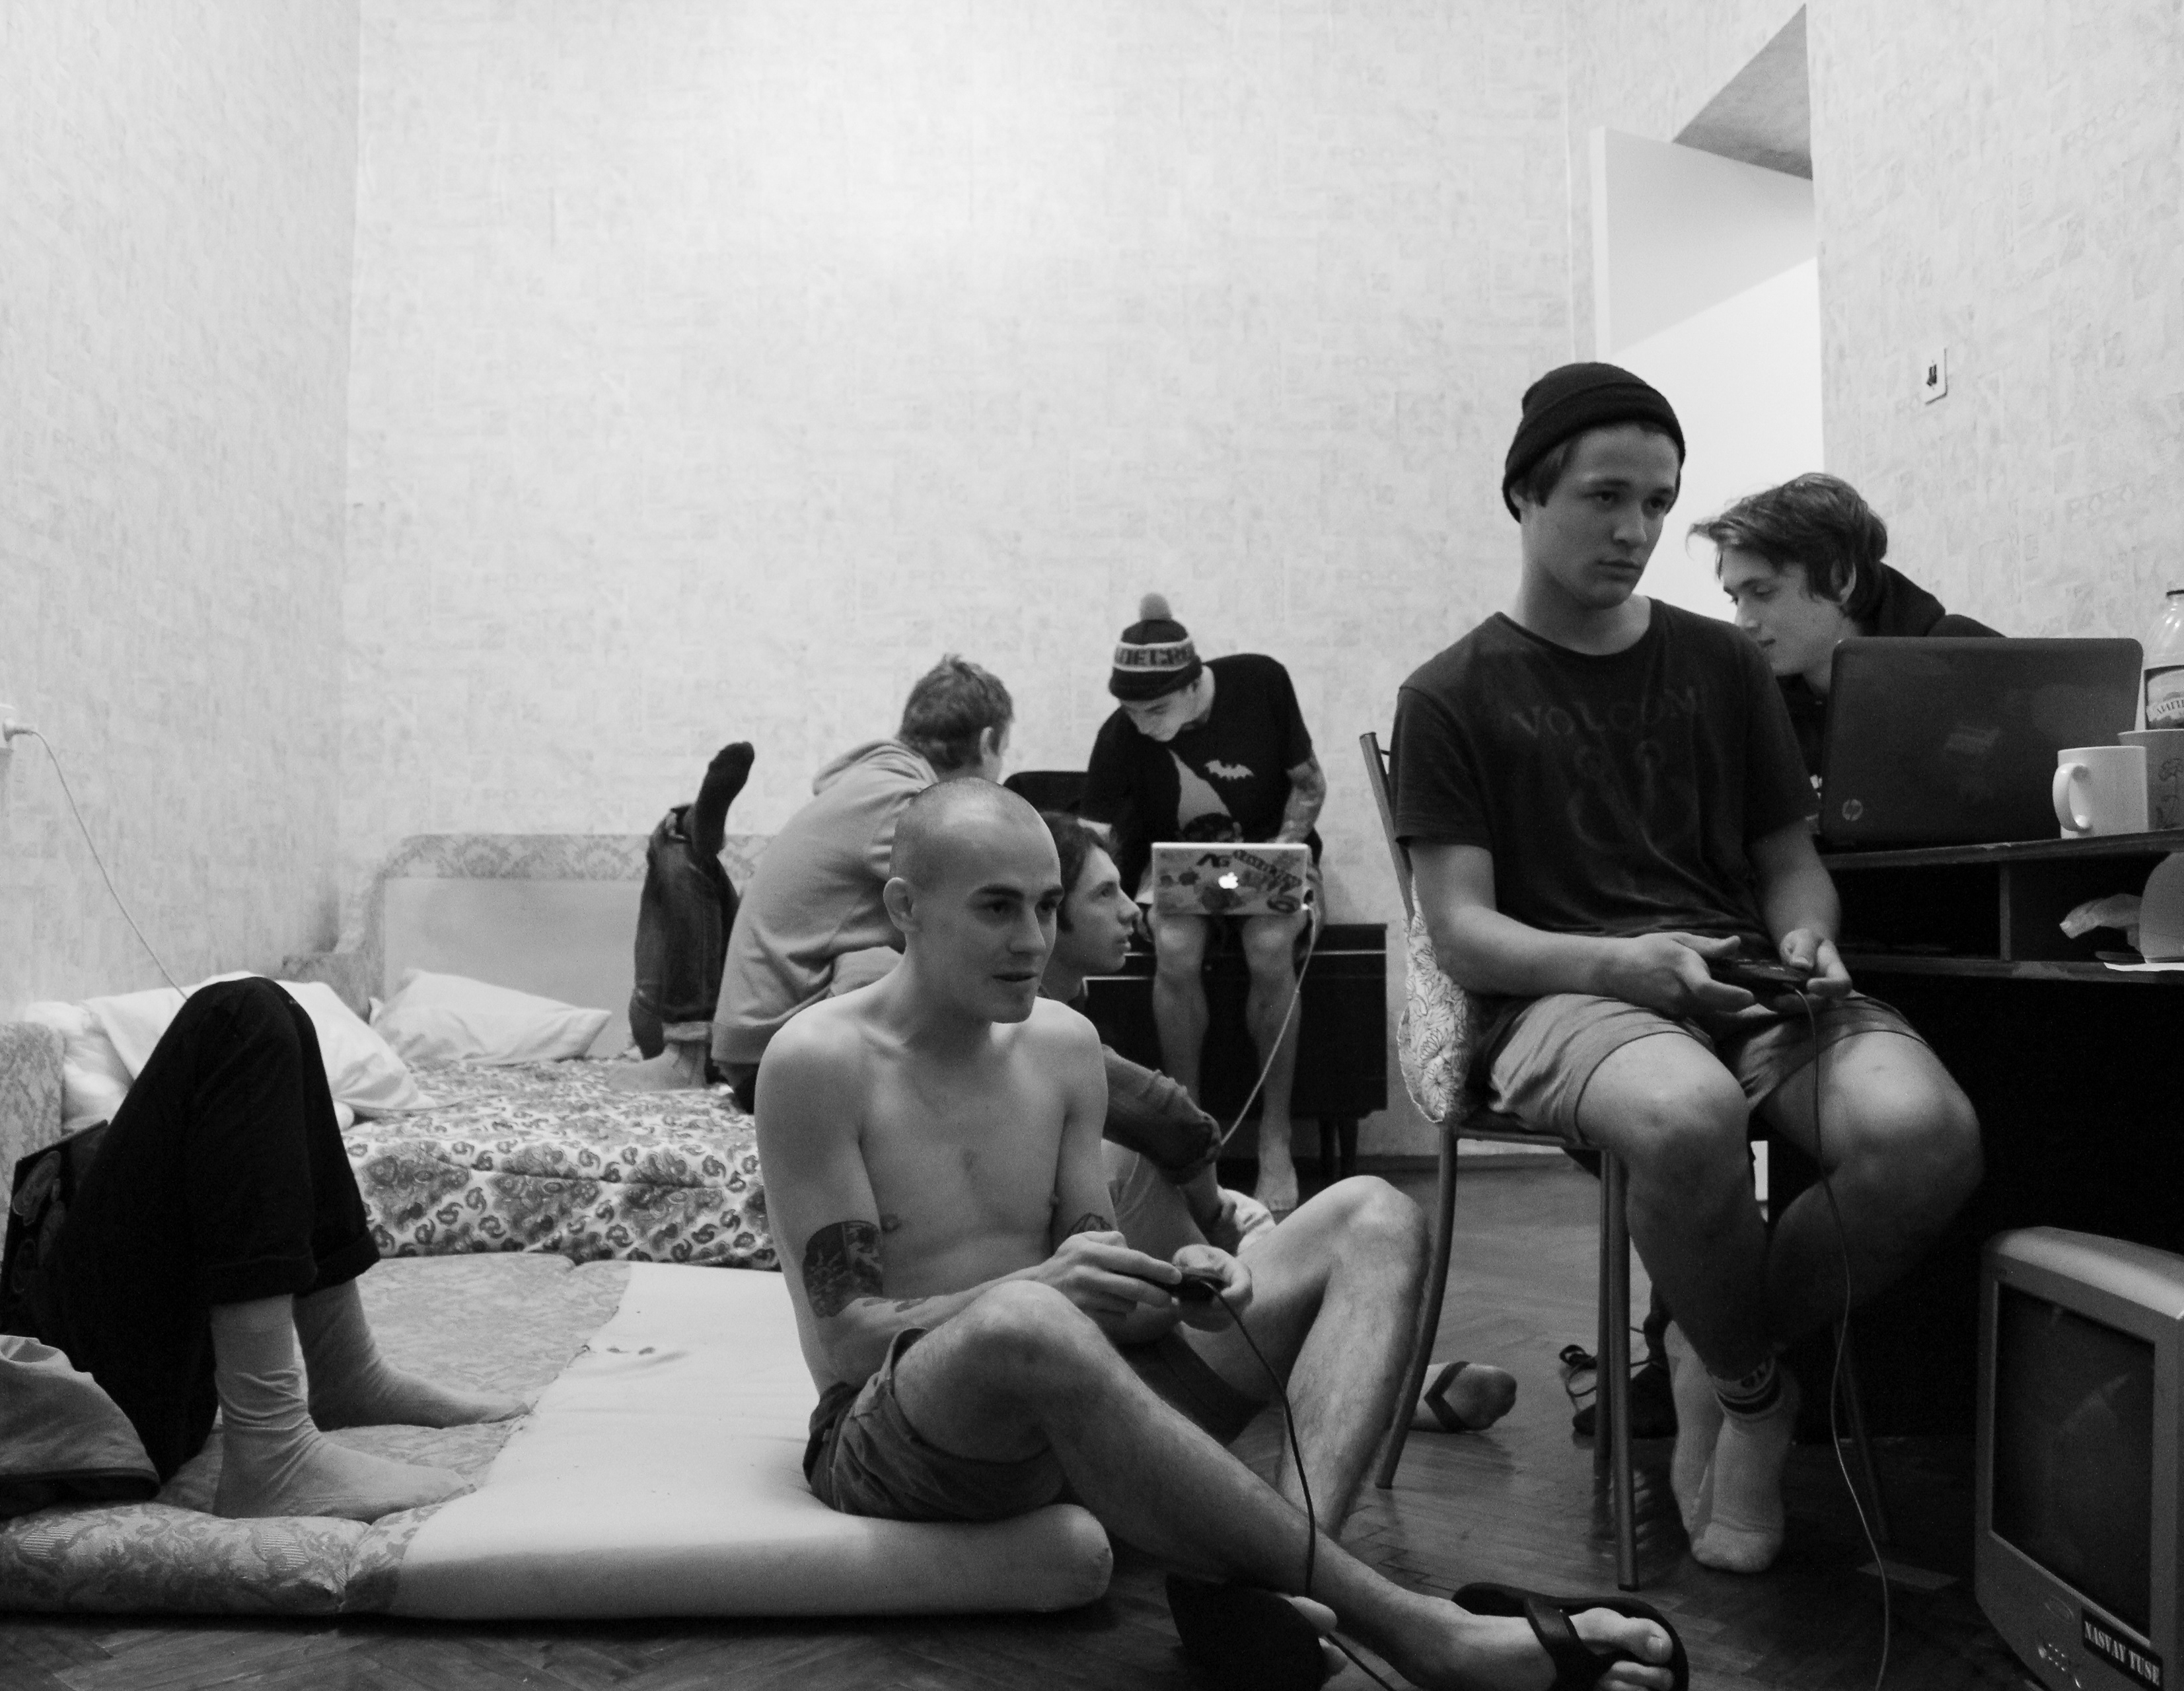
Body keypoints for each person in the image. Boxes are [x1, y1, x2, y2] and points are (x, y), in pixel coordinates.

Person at [756, 780, 1677, 1691]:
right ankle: (1422, 1631)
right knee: (1028, 1321)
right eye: (997, 908)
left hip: (1072, 1399)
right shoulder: (819, 1063)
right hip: (898, 1435)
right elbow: (850, 1343)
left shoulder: (1062, 1045)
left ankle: (1281, 1596)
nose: (1033, 940)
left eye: (1045, 906)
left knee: (1372, 1212)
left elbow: (1096, 1279)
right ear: (904, 908)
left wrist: (1174, 1283)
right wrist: (1039, 1290)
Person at [1390, 363, 1983, 1575]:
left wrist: (1808, 934)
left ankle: (1714, 1352)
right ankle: (1759, 1398)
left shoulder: (1722, 663)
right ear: (1525, 493)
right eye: (1606, 497)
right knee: (1684, 1112)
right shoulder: (1449, 694)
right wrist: (1625, 967)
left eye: (1658, 502)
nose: (1637, 530)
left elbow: (1789, 864)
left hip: (1747, 977)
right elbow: (1463, 932)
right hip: (1567, 994)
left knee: (1924, 1137)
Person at [0, 896, 517, 1519]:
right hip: (27, 1404)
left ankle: (344, 1375)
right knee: (238, 1019)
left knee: (276, 1019)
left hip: (12, 1342)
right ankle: (271, 1452)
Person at [1035, 809, 1519, 1440]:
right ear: (1048, 911)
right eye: (1106, 894)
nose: (1132, 911)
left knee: (1251, 1220)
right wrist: (1210, 1210)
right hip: (1073, 1249)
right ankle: (1389, 1389)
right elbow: (1170, 1120)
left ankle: (1338, 1377)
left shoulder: (1062, 1006)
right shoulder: (1039, 1022)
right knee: (1192, 1190)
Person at [1081, 595, 1327, 1215]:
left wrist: (1277, 857)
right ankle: (1189, 1132)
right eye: (1130, 711)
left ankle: (1275, 1138)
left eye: (1155, 710)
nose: (1142, 725)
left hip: (1271, 853)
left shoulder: (1260, 682)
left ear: (1195, 686)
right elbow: (1092, 841)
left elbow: (1309, 784)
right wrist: (1111, 896)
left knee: (1270, 946)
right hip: (1177, 870)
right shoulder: (1121, 733)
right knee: (1175, 947)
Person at [711, 655, 1012, 1112]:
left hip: (759, 1043)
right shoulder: (901, 802)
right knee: (940, 970)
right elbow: (994, 893)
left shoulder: (871, 786)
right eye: (1004, 752)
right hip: (774, 1055)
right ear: (988, 742)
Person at [1695, 472, 2001, 777]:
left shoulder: (1968, 662)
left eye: (1763, 592)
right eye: (1735, 600)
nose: (1742, 623)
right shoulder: (1752, 706)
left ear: (1839, 580)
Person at [611, 740, 755, 1092]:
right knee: (682, 852)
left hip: (710, 1030)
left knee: (670, 846)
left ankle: (690, 826)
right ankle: (694, 828)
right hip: (681, 1024)